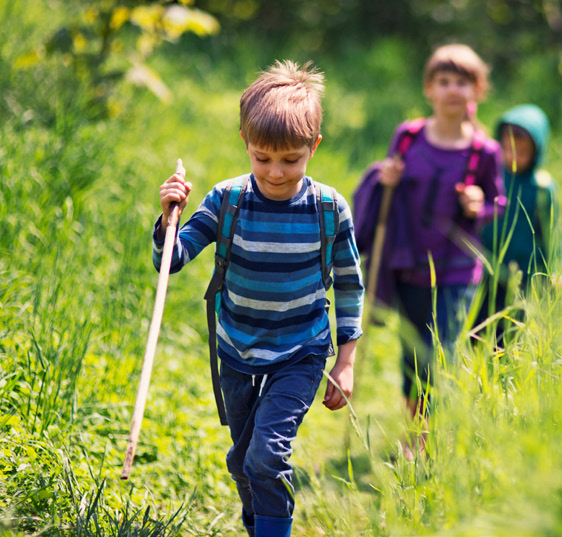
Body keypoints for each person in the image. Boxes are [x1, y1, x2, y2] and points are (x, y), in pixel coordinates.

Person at [153, 60, 363, 537]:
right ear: (245, 143)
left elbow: (350, 283)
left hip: (301, 350)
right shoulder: (227, 200)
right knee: (243, 460)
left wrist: (346, 359)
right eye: (262, 157)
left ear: (314, 147)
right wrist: (169, 220)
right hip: (237, 347)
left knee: (267, 454)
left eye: (291, 159)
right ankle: (261, 524)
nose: (275, 171)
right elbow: (175, 257)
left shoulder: (328, 209)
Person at [353, 44, 505, 459]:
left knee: (442, 350)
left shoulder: (484, 151)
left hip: (457, 268)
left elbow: (498, 203)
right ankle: (415, 427)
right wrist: (386, 177)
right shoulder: (409, 136)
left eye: (462, 82)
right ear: (429, 88)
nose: (453, 89)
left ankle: (428, 438)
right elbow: (386, 188)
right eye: (444, 81)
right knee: (412, 352)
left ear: (477, 90)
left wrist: (480, 204)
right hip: (407, 263)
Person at [475, 103, 558, 345]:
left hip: (522, 275)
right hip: (484, 266)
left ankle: (502, 374)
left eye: (522, 153)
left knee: (511, 334)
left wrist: (551, 271)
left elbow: (551, 234)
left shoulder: (541, 188)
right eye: (507, 149)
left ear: (537, 153)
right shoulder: (490, 175)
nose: (513, 157)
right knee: (477, 329)